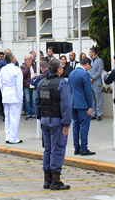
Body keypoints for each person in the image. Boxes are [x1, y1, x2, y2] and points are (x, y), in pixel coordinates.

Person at [35, 58, 73, 191]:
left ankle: (47, 179)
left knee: (48, 149)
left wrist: (40, 117)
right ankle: (56, 180)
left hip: (45, 119)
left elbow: (37, 102)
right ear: (58, 70)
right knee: (57, 148)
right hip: (57, 121)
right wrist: (66, 124)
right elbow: (66, 104)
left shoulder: (41, 83)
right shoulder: (62, 83)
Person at [69, 56, 95, 156]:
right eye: (89, 66)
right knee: (84, 126)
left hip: (73, 102)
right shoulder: (85, 74)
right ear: (87, 64)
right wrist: (90, 106)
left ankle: (76, 147)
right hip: (83, 104)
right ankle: (84, 148)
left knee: (75, 125)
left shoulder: (72, 73)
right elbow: (88, 91)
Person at [0, 51, 23, 144]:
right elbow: (19, 86)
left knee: (8, 117)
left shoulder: (2, 69)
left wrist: (3, 94)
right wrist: (20, 98)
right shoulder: (17, 70)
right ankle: (13, 138)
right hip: (14, 95)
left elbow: (1, 84)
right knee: (14, 117)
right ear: (12, 59)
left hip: (6, 95)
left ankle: (8, 136)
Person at [88, 48, 104, 121]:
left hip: (96, 82)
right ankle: (93, 113)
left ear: (93, 52)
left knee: (98, 98)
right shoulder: (90, 61)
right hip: (90, 82)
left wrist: (93, 78)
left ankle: (99, 114)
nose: (89, 54)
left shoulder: (99, 61)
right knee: (92, 99)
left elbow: (99, 71)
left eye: (90, 52)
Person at [20, 54, 35, 120]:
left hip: (34, 85)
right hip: (26, 85)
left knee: (33, 100)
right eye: (25, 59)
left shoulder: (35, 66)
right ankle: (28, 113)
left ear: (31, 60)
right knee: (27, 100)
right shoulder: (23, 67)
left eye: (28, 59)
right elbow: (24, 75)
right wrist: (28, 68)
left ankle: (34, 113)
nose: (27, 61)